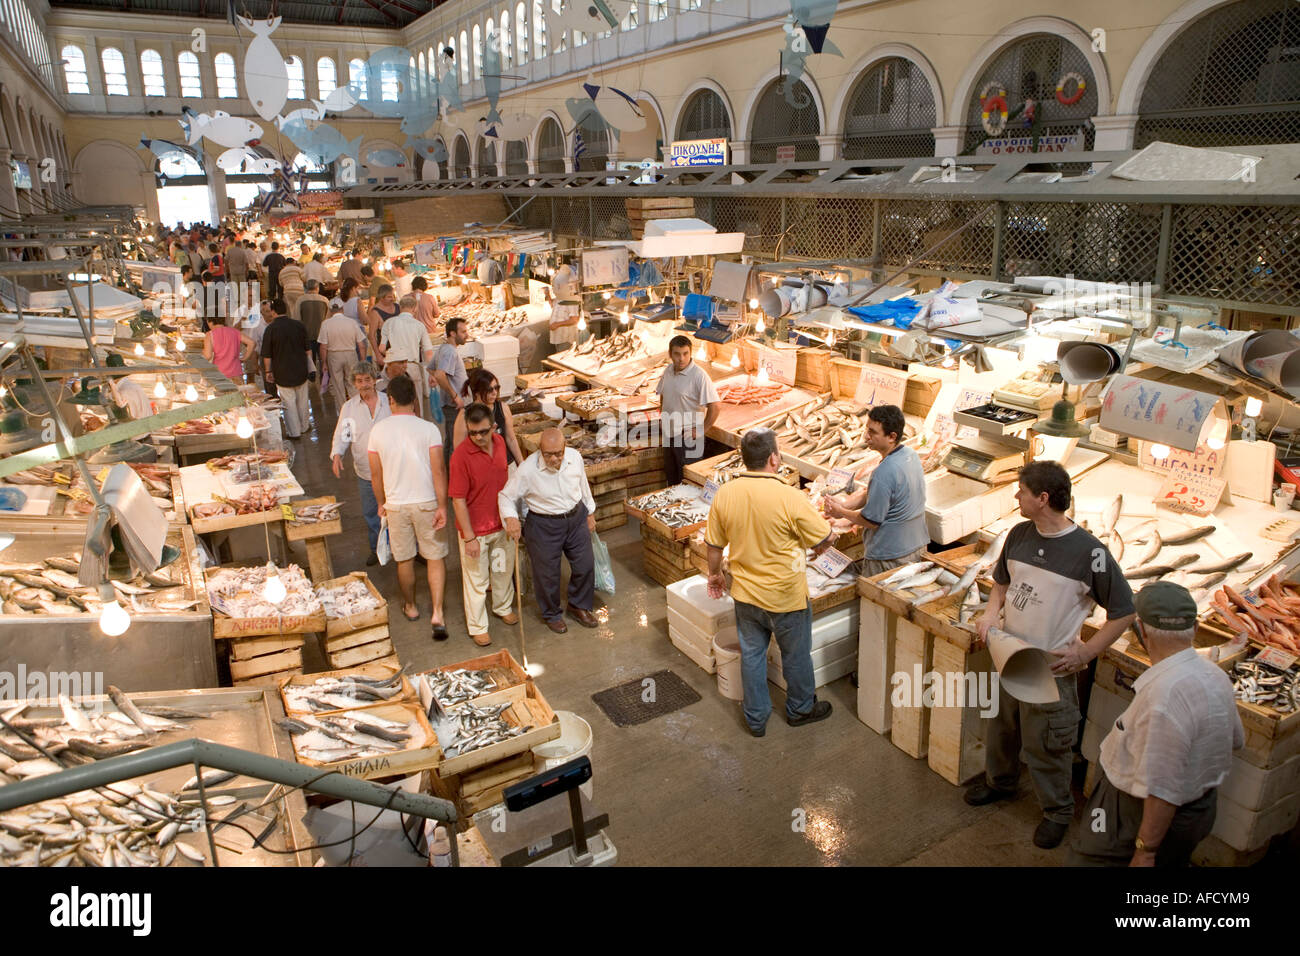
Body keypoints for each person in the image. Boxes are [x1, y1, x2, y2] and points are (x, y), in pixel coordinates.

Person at [966, 460, 1136, 850]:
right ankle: (1000, 783)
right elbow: (1001, 583)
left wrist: (1088, 652)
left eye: (1021, 491)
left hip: (1050, 668)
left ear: (1043, 499)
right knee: (1002, 728)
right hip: (1007, 654)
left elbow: (1124, 612)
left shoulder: (1091, 553)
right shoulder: (1019, 534)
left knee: (1047, 744)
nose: (1016, 496)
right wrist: (991, 616)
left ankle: (1057, 812)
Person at [1069, 581, 1243, 868]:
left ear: (1142, 632)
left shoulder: (1164, 698)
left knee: (1088, 855)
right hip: (1199, 811)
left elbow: (1163, 789)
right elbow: (1236, 740)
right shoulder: (1216, 675)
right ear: (1195, 631)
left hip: (1131, 812)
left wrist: (1145, 849)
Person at [704, 427, 837, 737]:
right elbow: (822, 540)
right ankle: (801, 709)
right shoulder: (790, 496)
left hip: (746, 595)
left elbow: (713, 545)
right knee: (795, 656)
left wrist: (715, 574)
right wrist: (826, 539)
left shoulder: (727, 493)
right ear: (774, 459)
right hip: (786, 597)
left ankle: (755, 718)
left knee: (751, 656)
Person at [367, 373, 450, 639]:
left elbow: (376, 475)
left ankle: (411, 606)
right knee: (434, 556)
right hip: (426, 502)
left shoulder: (378, 431)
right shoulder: (429, 429)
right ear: (414, 400)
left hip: (397, 504)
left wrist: (381, 503)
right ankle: (437, 612)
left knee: (404, 559)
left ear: (390, 400)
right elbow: (438, 470)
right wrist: (442, 506)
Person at [499, 427, 599, 633]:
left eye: (558, 453)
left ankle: (578, 605)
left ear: (565, 447)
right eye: (548, 454)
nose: (554, 459)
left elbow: (583, 486)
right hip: (544, 525)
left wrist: (590, 512)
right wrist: (510, 518)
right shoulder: (527, 469)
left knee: (585, 564)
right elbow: (506, 496)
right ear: (539, 450)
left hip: (575, 517)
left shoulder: (575, 458)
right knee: (547, 575)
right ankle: (552, 613)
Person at [823, 404, 929, 575]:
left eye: (873, 432)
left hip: (890, 557)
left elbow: (870, 520)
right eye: (867, 429)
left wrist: (841, 511)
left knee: (880, 599)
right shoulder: (910, 455)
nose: (866, 436)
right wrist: (848, 504)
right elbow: (883, 493)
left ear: (892, 437)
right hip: (917, 546)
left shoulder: (884, 472)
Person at [449, 402, 518, 647]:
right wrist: (468, 538)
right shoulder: (460, 457)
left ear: (494, 427)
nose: (478, 437)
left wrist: (512, 517)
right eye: (473, 432)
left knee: (501, 569)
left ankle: (502, 606)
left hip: (500, 526)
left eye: (483, 431)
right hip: (476, 531)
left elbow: (508, 484)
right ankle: (478, 626)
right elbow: (457, 500)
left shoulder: (500, 445)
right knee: (476, 580)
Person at [331, 361, 390, 565]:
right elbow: (343, 434)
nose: (364, 384)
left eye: (367, 380)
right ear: (354, 384)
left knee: (400, 511)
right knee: (372, 513)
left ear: (375, 380)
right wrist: (337, 454)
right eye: (359, 381)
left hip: (392, 469)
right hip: (365, 472)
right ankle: (377, 550)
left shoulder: (389, 402)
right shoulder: (349, 408)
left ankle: (408, 549)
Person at [657, 334, 720, 485]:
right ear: (670, 354)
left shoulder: (699, 376)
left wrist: (701, 430)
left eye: (685, 354)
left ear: (690, 353)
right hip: (669, 435)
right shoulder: (668, 371)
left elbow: (715, 406)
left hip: (688, 439)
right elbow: (663, 395)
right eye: (677, 354)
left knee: (688, 482)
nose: (681, 358)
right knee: (672, 479)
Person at [260, 297, 313, 438]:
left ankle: (294, 432)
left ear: (272, 311)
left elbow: (267, 355)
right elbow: (308, 350)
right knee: (302, 400)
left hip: (282, 371)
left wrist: (268, 371)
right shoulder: (299, 325)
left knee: (288, 403)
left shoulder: (270, 329)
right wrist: (310, 367)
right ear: (286, 310)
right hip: (301, 368)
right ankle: (304, 426)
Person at [452, 368, 524, 466]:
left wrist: (521, 464)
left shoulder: (502, 408)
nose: (494, 392)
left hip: (505, 465)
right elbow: (459, 451)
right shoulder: (464, 415)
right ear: (476, 392)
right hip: (480, 469)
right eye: (489, 390)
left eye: (496, 388)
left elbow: (511, 439)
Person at [379, 294, 435, 419]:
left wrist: (392, 357)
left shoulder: (389, 323)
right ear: (415, 308)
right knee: (416, 402)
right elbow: (428, 352)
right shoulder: (419, 325)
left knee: (394, 400)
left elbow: (381, 348)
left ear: (400, 307)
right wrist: (431, 373)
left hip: (393, 366)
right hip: (413, 367)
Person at [318, 304, 370, 409]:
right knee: (353, 383)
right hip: (351, 354)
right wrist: (363, 360)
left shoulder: (326, 324)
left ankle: (343, 411)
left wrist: (324, 362)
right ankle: (357, 409)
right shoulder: (352, 322)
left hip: (334, 356)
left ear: (330, 311)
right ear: (342, 309)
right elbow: (361, 345)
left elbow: (323, 346)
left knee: (338, 386)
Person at [431, 316, 470, 444]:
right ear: (453, 333)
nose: (467, 335)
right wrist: (455, 396)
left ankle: (448, 464)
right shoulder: (450, 352)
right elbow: (439, 374)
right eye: (463, 332)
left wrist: (434, 377)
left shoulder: (443, 348)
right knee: (457, 443)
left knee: (450, 440)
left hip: (449, 404)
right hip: (454, 405)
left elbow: (431, 369)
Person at [202, 313, 253, 383]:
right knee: (238, 393)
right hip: (236, 373)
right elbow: (252, 343)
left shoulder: (210, 335)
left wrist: (203, 353)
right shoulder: (234, 331)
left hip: (219, 374)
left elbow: (208, 356)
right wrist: (245, 358)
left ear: (209, 321)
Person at [295, 279, 331, 367]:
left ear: (306, 288)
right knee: (324, 360)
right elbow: (328, 318)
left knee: (310, 361)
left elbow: (296, 319)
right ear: (317, 288)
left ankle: (312, 378)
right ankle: (323, 378)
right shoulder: (325, 300)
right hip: (321, 335)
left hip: (306, 335)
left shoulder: (300, 300)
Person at [365, 284, 401, 360]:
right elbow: (371, 335)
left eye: (393, 296)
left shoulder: (397, 307)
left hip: (400, 348)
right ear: (381, 298)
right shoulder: (375, 312)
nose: (392, 299)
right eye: (389, 297)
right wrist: (378, 355)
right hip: (385, 350)